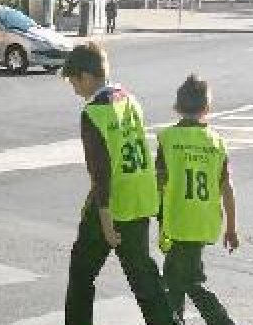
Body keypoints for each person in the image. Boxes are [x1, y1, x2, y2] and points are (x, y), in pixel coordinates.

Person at [60, 42, 180, 325]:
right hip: (141, 197)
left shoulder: (93, 113)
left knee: (81, 273)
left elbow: (101, 172)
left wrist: (105, 220)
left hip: (112, 204)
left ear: (85, 77)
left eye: (73, 82)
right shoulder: (129, 99)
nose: (74, 89)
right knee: (144, 276)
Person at [156, 74, 239, 324]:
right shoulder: (216, 143)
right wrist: (231, 228)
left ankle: (221, 321)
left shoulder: (168, 139)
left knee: (188, 281)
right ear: (207, 108)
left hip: (179, 220)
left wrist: (153, 213)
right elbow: (227, 188)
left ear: (177, 107)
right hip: (204, 221)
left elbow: (159, 182)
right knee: (176, 278)